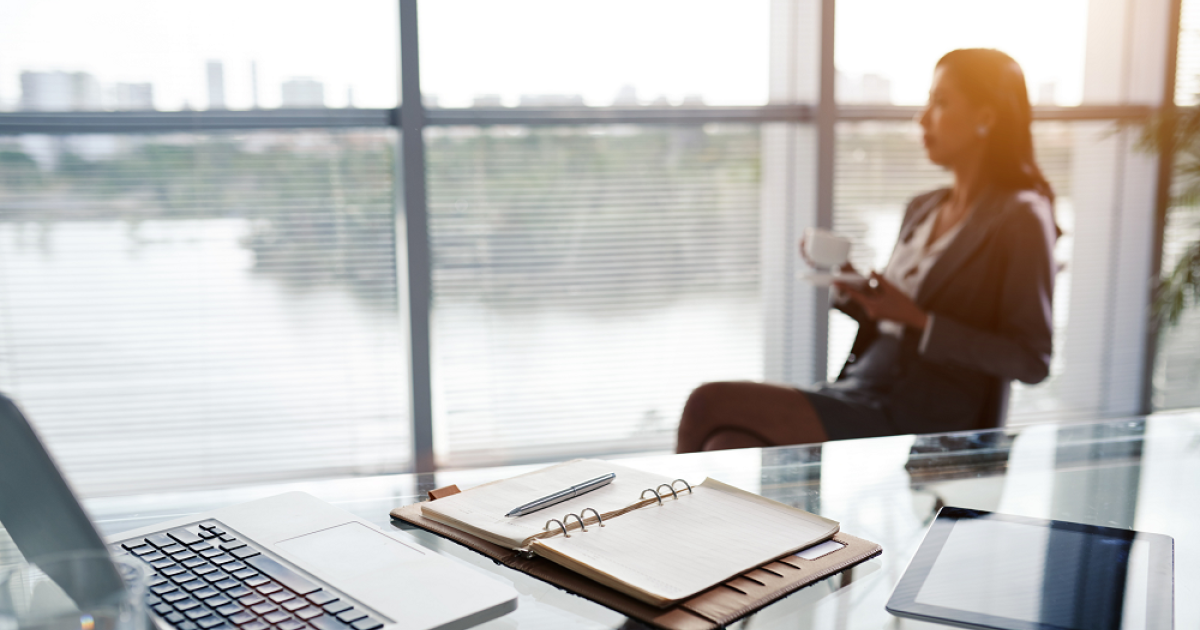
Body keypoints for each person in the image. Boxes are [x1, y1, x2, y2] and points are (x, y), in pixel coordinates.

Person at [677, 49, 1059, 452]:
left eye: (941, 102)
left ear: (986, 117)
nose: (923, 118)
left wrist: (919, 320)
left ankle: (648, 515)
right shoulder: (923, 207)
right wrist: (854, 288)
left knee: (708, 404)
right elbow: (891, 319)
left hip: (923, 411)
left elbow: (1031, 359)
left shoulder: (1021, 217)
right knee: (726, 439)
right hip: (866, 386)